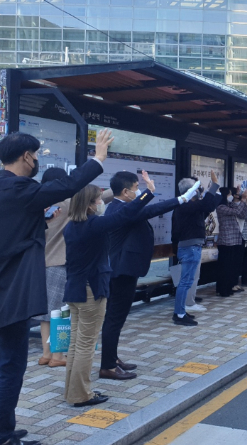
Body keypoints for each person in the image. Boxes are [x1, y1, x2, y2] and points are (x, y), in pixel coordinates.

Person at [0, 130, 110, 445]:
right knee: (10, 366)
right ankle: (4, 435)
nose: (37, 161)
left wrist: (39, 226)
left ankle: (5, 426)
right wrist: (98, 159)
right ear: (25, 157)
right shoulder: (21, 189)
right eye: (36, 156)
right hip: (10, 296)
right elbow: (69, 185)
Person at [99, 170, 198, 381]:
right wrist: (180, 199)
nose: (138, 192)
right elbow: (151, 209)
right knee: (114, 318)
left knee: (117, 317)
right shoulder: (120, 209)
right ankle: (107, 365)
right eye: (136, 188)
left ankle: (112, 358)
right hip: (122, 271)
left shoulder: (122, 207)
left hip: (126, 269)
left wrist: (148, 192)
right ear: (125, 192)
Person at [62, 182, 153, 408]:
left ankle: (72, 390)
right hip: (92, 290)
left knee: (75, 344)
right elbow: (126, 213)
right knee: (85, 345)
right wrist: (147, 193)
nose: (102, 203)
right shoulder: (94, 225)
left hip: (74, 289)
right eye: (99, 199)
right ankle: (82, 394)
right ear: (91, 205)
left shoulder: (71, 225)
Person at [32, 168, 71, 370]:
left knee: (46, 312)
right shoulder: (65, 204)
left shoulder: (39, 204)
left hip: (41, 263)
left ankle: (46, 354)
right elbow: (96, 197)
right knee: (59, 312)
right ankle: (58, 355)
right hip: (59, 263)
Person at [170, 172, 220, 326]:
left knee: (187, 281)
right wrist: (214, 185)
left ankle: (181, 311)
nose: (199, 192)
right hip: (190, 248)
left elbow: (209, 205)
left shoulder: (189, 207)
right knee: (185, 282)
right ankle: (179, 314)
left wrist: (214, 190)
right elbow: (206, 204)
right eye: (197, 189)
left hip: (190, 247)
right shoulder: (185, 206)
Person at [215, 186, 247, 297]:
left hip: (234, 239)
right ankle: (222, 289)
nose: (231, 196)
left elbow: (243, 213)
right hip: (225, 240)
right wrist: (241, 200)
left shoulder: (229, 205)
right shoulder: (221, 207)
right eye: (230, 194)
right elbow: (237, 211)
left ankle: (228, 287)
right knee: (224, 266)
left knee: (231, 266)